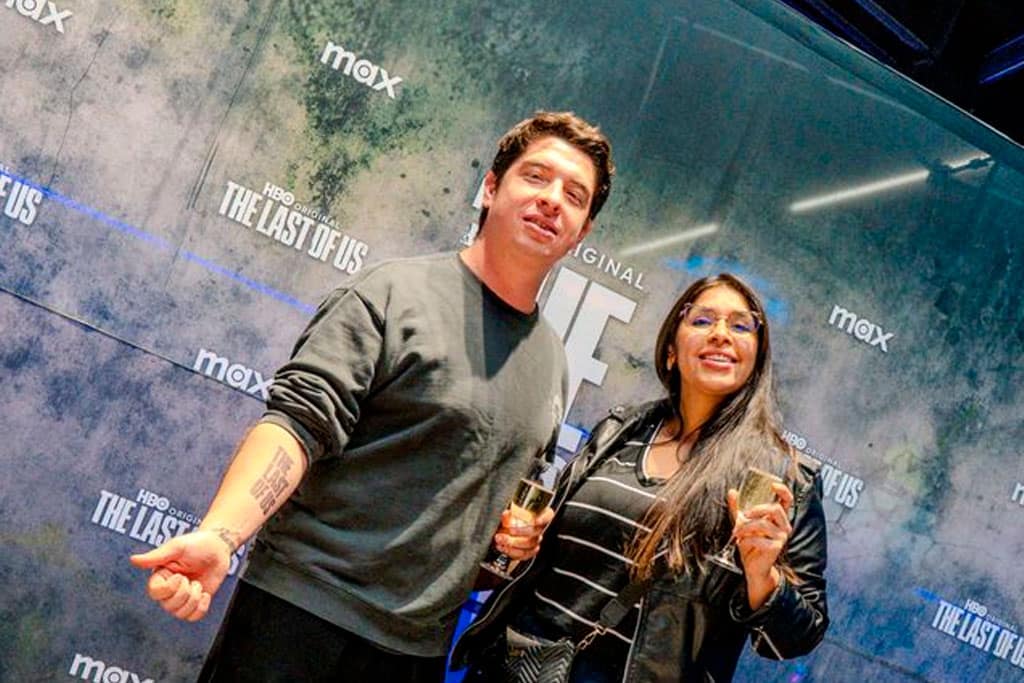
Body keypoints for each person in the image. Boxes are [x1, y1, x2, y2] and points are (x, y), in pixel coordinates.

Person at [129, 111, 615, 682]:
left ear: (582, 232)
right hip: (302, 612)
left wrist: (512, 544)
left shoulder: (553, 362)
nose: (552, 199)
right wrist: (222, 534)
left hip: (415, 653)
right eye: (535, 176)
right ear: (490, 188)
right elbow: (297, 425)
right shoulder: (391, 293)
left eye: (574, 195)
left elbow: (489, 532)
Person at [452, 273, 829, 683]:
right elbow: (537, 556)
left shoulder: (783, 479)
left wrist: (762, 576)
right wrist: (520, 543)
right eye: (702, 320)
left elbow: (796, 637)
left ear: (757, 360)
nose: (721, 334)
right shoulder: (620, 431)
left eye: (741, 326)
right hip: (519, 669)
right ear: (670, 352)